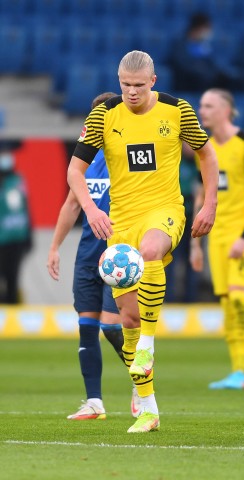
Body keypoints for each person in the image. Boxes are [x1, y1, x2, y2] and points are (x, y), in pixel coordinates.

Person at [67, 50, 218, 433]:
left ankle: (148, 345)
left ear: (153, 81)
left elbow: (207, 155)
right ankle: (149, 411)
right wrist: (92, 209)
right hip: (121, 222)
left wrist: (210, 204)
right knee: (127, 319)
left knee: (151, 252)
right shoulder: (103, 116)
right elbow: (74, 170)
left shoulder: (177, 110)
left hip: (165, 210)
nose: (131, 92)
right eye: (125, 85)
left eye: (138, 85)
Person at [47, 92, 140, 421]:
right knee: (87, 326)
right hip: (88, 253)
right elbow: (72, 205)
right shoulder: (86, 161)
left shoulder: (130, 158)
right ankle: (94, 402)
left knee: (112, 328)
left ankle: (141, 384)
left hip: (121, 254)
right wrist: (55, 247)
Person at [191, 88, 244, 389]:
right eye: (201, 105)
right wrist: (195, 243)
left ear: (226, 109)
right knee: (225, 302)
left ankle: (243, 370)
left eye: (208, 105)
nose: (202, 110)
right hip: (218, 234)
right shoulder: (206, 148)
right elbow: (202, 192)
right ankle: (237, 371)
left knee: (238, 296)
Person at [165, 143, 201, 303]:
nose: (190, 147)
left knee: (192, 259)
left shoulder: (201, 163)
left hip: (194, 220)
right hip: (173, 220)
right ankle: (169, 299)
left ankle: (191, 299)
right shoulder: (173, 161)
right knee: (170, 260)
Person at [0, 146, 32, 304]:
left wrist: (29, 235)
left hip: (15, 238)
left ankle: (11, 316)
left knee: (12, 278)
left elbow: (26, 208)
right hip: (5, 239)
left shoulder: (18, 180)